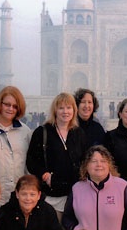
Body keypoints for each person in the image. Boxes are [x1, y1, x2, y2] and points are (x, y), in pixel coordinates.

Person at [27, 92, 87, 223]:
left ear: (74, 110)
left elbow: (84, 161)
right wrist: (44, 174)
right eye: (61, 108)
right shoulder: (42, 132)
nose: (65, 111)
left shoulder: (79, 133)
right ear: (55, 110)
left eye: (69, 108)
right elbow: (31, 161)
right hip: (52, 196)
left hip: (74, 195)